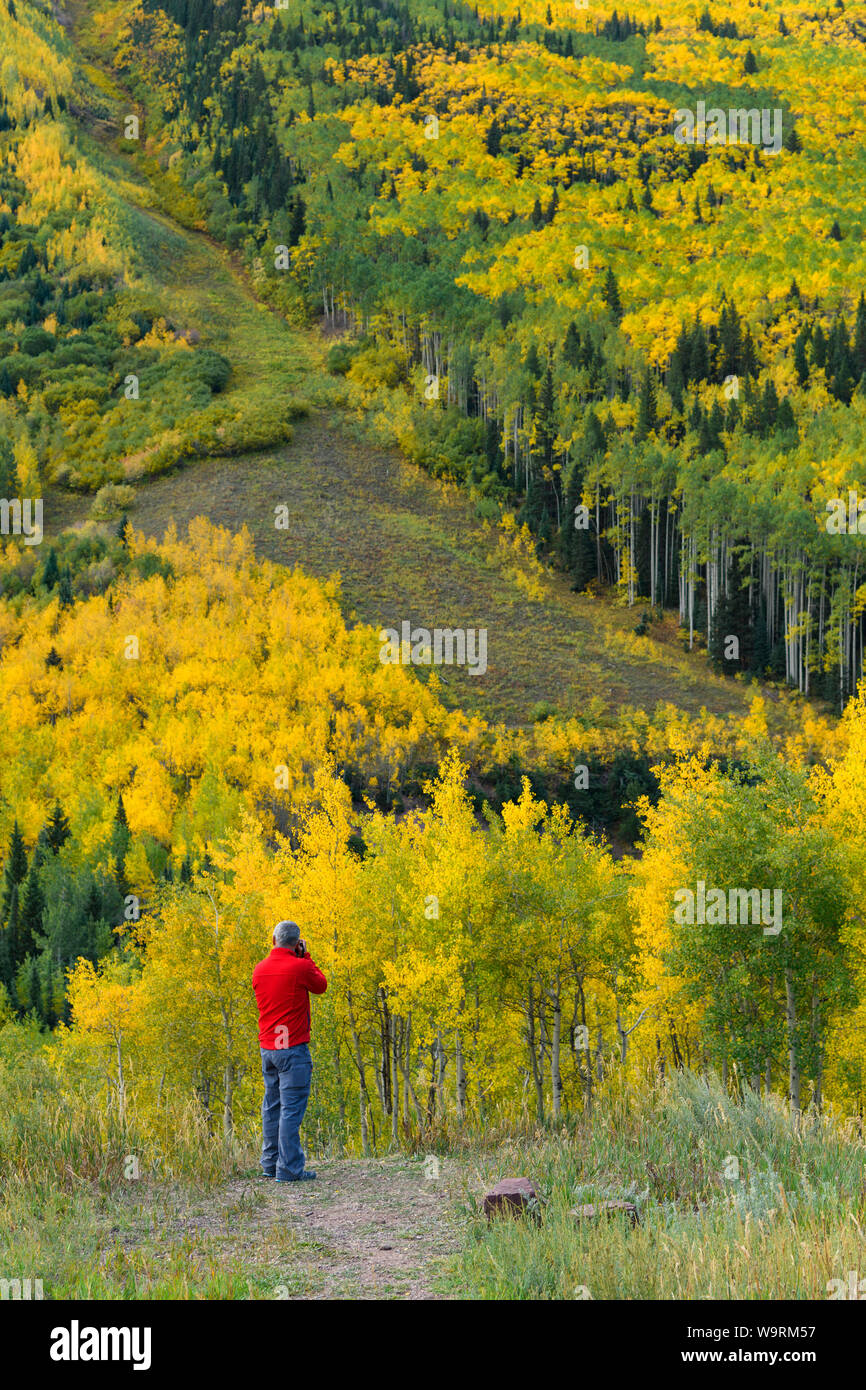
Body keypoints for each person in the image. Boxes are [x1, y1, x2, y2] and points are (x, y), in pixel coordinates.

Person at [252, 919, 327, 1182]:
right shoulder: (300, 967)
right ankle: (289, 1169)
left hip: (268, 1048)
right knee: (291, 1109)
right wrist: (305, 955)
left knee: (271, 1106)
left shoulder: (259, 970)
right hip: (293, 1049)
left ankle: (270, 1163)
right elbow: (321, 985)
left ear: (273, 941)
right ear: (297, 943)